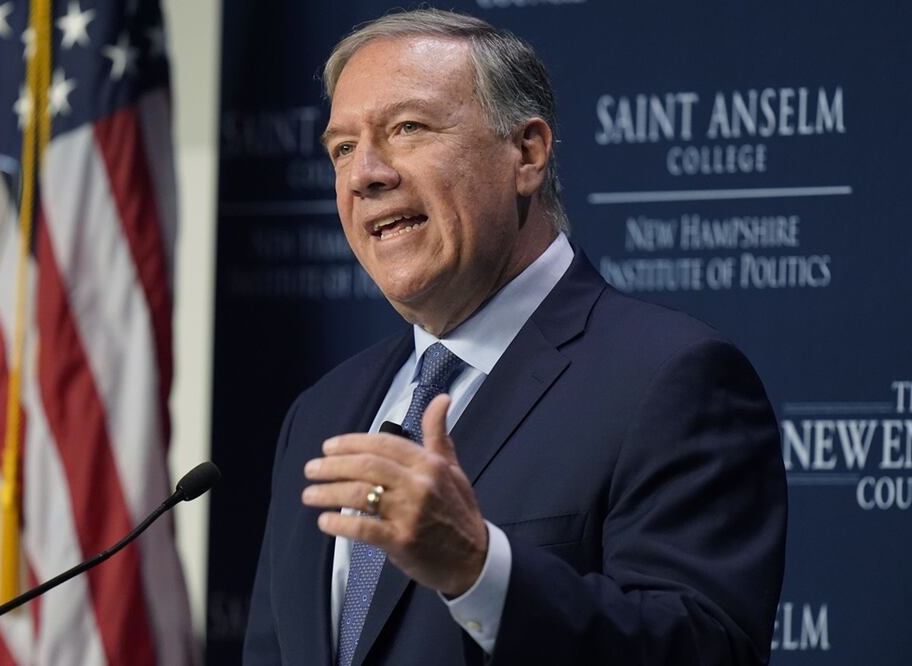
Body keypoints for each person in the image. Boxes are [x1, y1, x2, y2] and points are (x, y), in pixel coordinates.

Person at [243, 9, 787, 666]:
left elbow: (709, 651)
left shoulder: (669, 378)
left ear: (526, 153)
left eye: (407, 128)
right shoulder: (322, 413)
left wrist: (479, 569)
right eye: (343, 148)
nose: (364, 175)